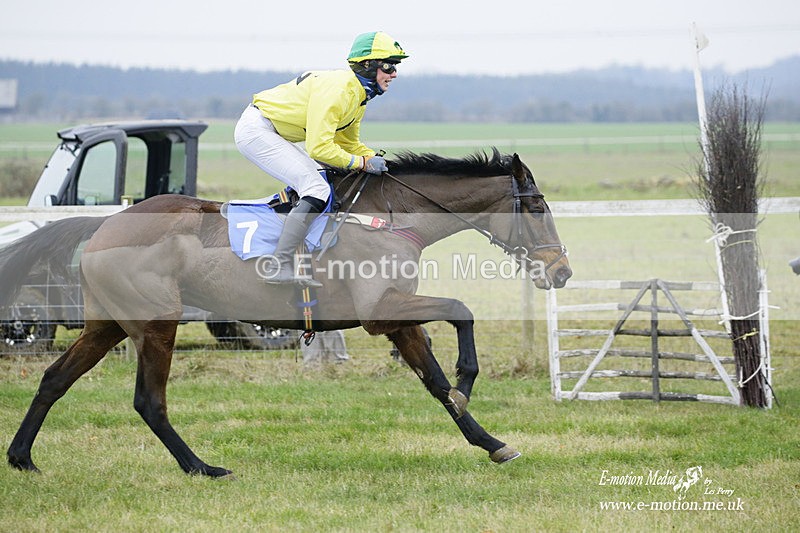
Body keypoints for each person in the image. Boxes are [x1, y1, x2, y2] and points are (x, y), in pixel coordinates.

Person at [234, 31, 409, 287]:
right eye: (388, 65)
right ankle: (278, 264)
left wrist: (371, 157)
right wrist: (361, 163)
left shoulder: (357, 96)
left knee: (325, 180)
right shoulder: (339, 90)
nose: (394, 73)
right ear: (368, 66)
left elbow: (347, 143)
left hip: (272, 130)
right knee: (315, 187)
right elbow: (318, 148)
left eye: (395, 67)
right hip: (257, 130)